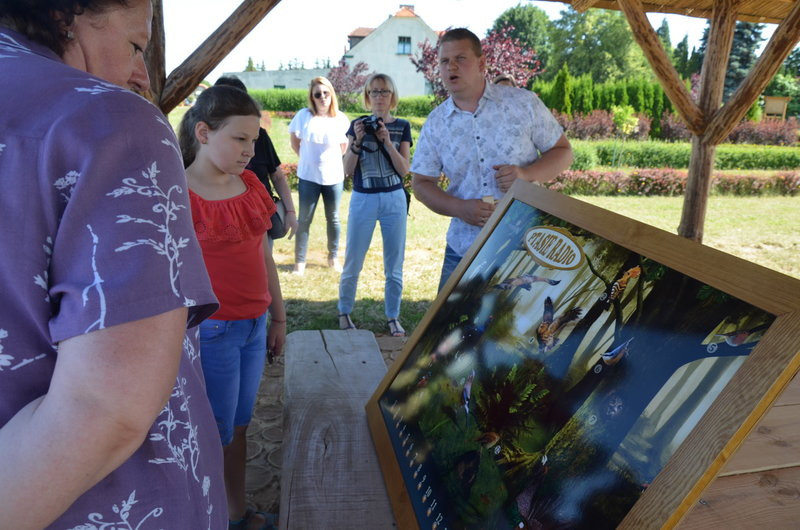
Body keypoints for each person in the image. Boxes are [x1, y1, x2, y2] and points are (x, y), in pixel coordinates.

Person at [0, 1, 226, 528]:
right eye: (135, 46)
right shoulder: (106, 121)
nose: (141, 76)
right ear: (72, 12)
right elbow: (105, 410)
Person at [179, 85, 287, 530]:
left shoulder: (250, 186)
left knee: (240, 426)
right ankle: (206, 516)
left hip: (254, 326)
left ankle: (235, 511)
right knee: (213, 432)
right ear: (203, 132)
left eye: (254, 139)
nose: (250, 150)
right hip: (213, 331)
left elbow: (265, 255)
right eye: (239, 139)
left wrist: (277, 316)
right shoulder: (178, 193)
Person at [411, 28, 573, 292]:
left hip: (525, 246)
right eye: (444, 61)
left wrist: (525, 174)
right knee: (447, 331)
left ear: (482, 63)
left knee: (520, 330)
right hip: (463, 248)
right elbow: (421, 183)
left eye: (460, 58)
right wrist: (460, 208)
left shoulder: (523, 103)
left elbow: (563, 152)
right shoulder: (436, 123)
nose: (451, 66)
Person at [338, 74, 412, 337]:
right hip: (363, 198)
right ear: (367, 96)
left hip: (393, 198)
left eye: (385, 91)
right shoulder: (356, 125)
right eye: (375, 91)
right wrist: (357, 141)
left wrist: (387, 142)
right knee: (353, 260)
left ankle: (393, 316)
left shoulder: (402, 126)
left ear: (393, 96)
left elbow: (404, 170)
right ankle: (344, 312)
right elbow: (347, 171)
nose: (380, 97)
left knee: (394, 264)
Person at [214, 76, 298, 242]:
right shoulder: (206, 141)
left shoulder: (260, 136)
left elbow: (277, 176)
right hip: (222, 223)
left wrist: (290, 212)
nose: (249, 151)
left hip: (261, 219)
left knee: (263, 265)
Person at [288, 76, 350, 275]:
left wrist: (327, 163)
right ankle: (300, 262)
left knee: (333, 218)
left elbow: (343, 147)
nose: (322, 97)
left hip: (333, 177)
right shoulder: (303, 116)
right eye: (318, 94)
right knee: (304, 219)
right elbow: (294, 142)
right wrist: (308, 160)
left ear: (331, 95)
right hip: (308, 177)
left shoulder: (340, 118)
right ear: (312, 97)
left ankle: (333, 258)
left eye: (326, 93)